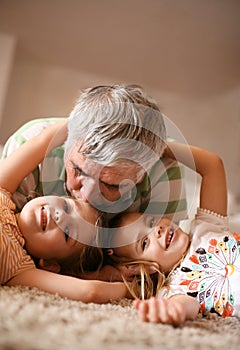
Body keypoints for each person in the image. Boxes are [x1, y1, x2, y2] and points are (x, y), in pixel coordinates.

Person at [1, 85, 187, 226]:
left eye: (110, 185)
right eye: (78, 170)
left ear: (142, 174)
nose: (86, 196)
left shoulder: (164, 172)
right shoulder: (29, 145)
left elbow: (158, 267)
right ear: (67, 140)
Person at [105, 142, 239, 326]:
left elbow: (212, 166)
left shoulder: (206, 227)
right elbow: (186, 305)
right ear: (140, 268)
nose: (156, 230)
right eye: (144, 242)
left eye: (151, 222)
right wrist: (171, 311)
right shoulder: (173, 288)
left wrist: (155, 145)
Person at [0, 119, 129, 303]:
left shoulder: (18, 267)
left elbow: (91, 292)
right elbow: (42, 141)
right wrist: (88, 119)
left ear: (50, 265)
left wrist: (129, 288)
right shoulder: (3, 190)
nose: (59, 215)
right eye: (67, 206)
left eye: (67, 233)